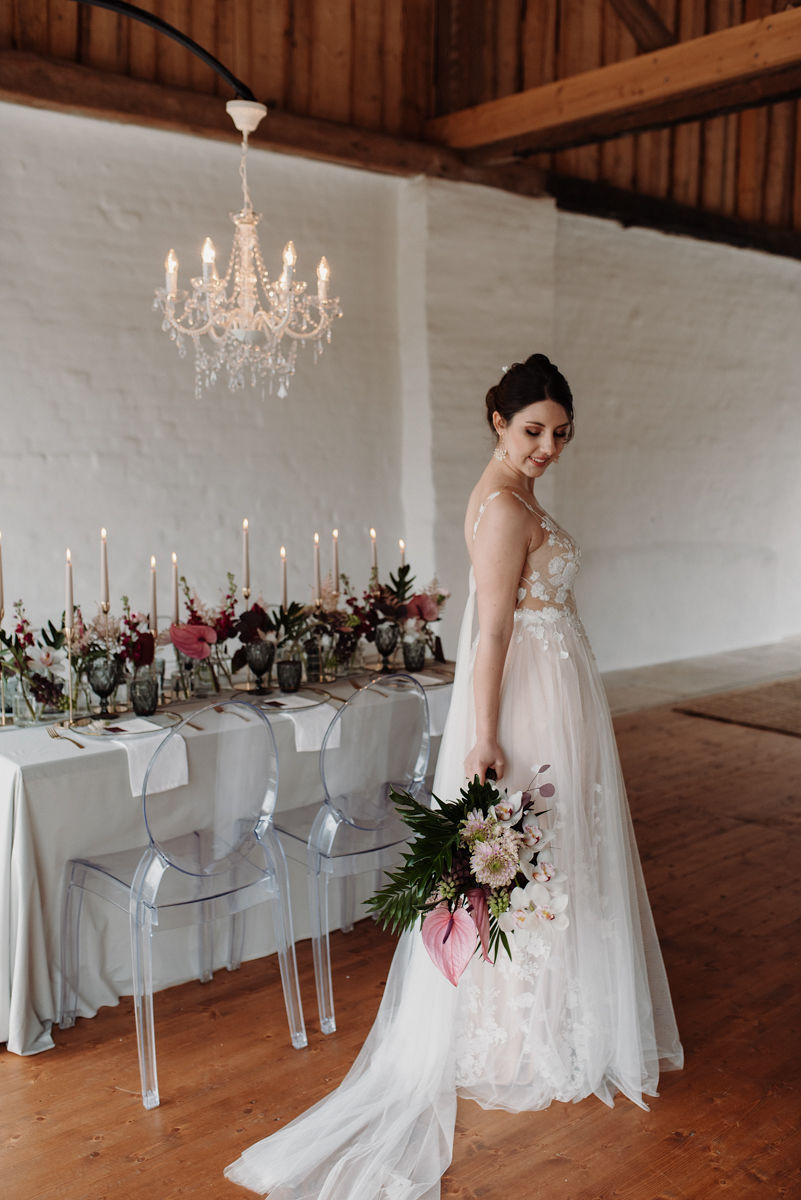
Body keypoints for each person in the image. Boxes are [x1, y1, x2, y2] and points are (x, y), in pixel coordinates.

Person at [226, 354, 683, 1198]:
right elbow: (494, 632)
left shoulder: (514, 493)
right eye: (533, 431)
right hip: (529, 704)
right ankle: (518, 1037)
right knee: (533, 863)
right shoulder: (505, 506)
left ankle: (550, 1020)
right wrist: (483, 737)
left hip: (555, 694)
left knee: (547, 861)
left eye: (561, 434)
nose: (548, 447)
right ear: (498, 422)